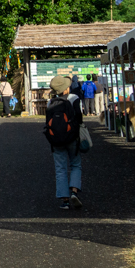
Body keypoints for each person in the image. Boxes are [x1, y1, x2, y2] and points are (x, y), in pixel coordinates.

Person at [45, 73, 85, 209]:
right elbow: (79, 118)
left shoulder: (50, 103)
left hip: (56, 140)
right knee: (75, 164)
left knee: (60, 169)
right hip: (72, 137)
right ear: (66, 88)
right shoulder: (74, 98)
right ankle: (74, 191)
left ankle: (65, 200)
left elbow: (47, 123)